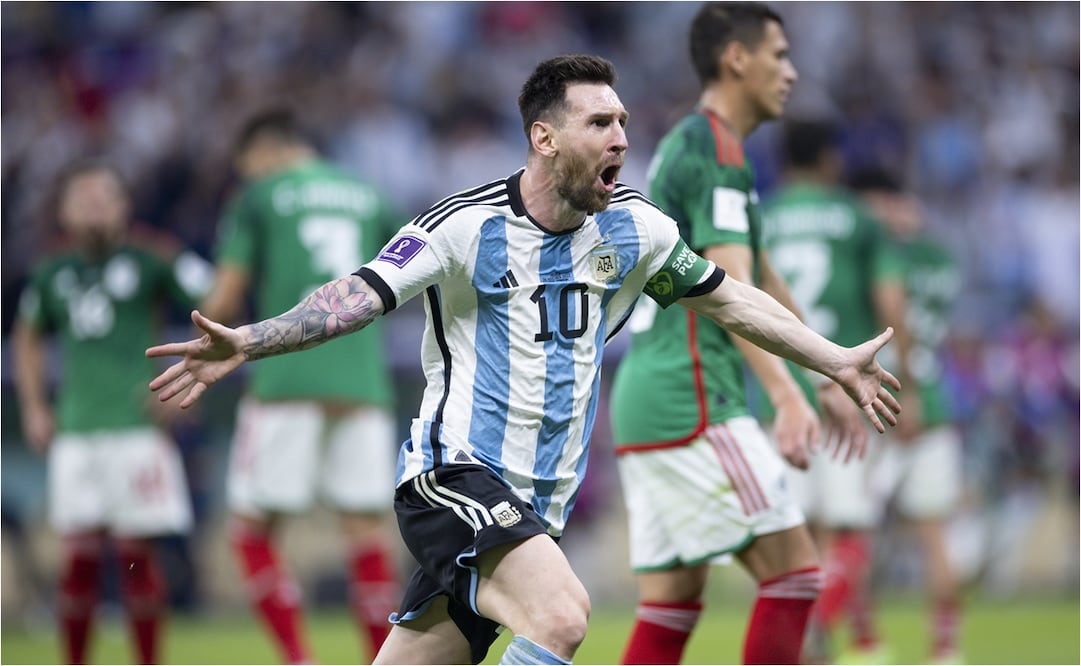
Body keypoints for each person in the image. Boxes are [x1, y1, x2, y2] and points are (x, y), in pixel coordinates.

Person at [145, 55, 901, 666]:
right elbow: (359, 294)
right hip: (454, 479)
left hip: (538, 504)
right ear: (544, 139)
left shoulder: (633, 231)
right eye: (599, 123)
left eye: (623, 124)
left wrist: (831, 359)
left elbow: (732, 300)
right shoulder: (462, 228)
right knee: (561, 616)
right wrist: (251, 339)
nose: (620, 139)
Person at [608, 4, 870, 664]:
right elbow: (733, 294)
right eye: (778, 55)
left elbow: (769, 281)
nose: (791, 71)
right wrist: (786, 395)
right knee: (795, 573)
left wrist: (828, 371)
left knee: (669, 607)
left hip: (650, 396)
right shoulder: (715, 149)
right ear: (736, 59)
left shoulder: (696, 144)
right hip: (691, 396)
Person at [198, 108, 403, 663]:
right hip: (362, 384)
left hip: (285, 378)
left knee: (252, 530)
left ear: (261, 153)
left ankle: (298, 658)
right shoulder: (368, 194)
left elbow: (222, 299)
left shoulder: (259, 196)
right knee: (365, 533)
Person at [13, 160, 213, 664]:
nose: (94, 208)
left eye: (104, 197)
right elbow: (27, 337)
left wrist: (193, 379)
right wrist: (35, 406)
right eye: (82, 199)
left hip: (137, 428)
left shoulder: (154, 256)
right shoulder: (51, 270)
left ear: (124, 205)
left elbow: (217, 301)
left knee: (134, 555)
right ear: (63, 211)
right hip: (76, 429)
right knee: (77, 558)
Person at [759, 119, 914, 663]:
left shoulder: (763, 217)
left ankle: (807, 635)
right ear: (830, 160)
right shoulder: (858, 219)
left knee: (793, 530)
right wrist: (910, 386)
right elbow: (892, 303)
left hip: (780, 394)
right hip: (851, 391)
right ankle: (816, 630)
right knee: (850, 527)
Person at [850, 166, 964, 664]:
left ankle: (865, 642)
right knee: (934, 533)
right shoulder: (940, 258)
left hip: (882, 398)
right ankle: (945, 648)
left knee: (854, 532)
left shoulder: (874, 256)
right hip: (934, 401)